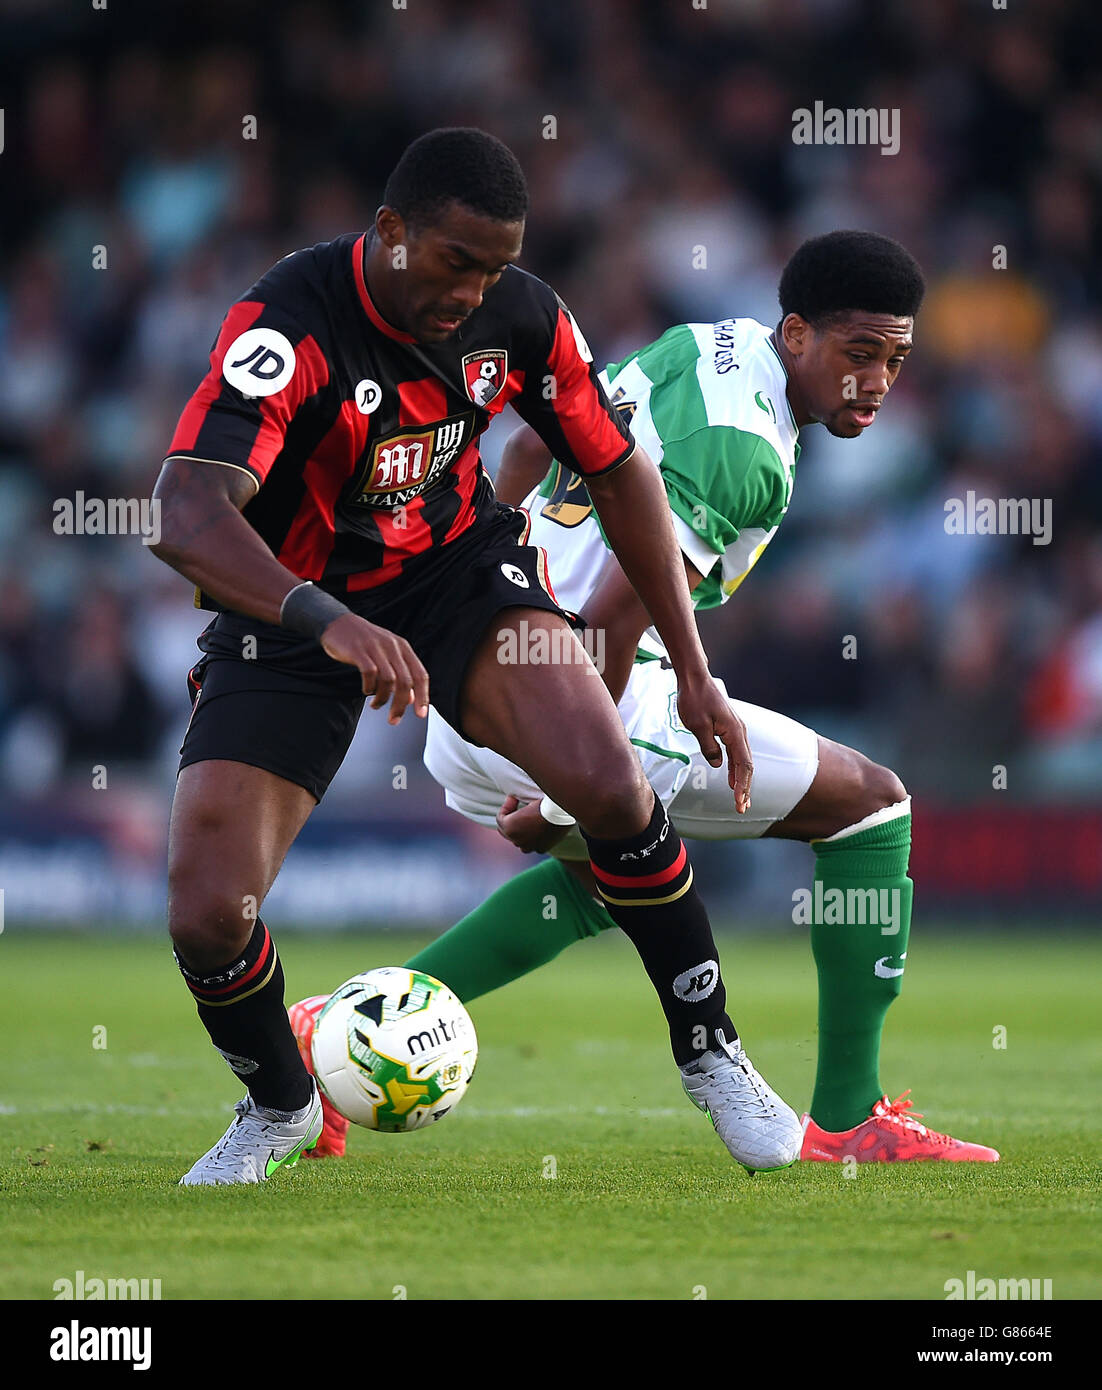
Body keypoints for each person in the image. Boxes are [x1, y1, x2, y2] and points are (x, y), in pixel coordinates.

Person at [152, 127, 803, 1186]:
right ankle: (277, 1101)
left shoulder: (524, 315)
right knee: (206, 915)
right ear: (392, 232)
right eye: (457, 261)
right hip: (290, 608)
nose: (474, 290)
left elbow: (621, 471)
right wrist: (327, 619)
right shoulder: (286, 323)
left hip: (458, 576)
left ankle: (710, 1050)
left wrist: (689, 671)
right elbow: (183, 511)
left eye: (495, 266)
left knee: (609, 782)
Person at [291, 230, 999, 1165]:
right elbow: (616, 622)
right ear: (796, 334)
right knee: (873, 808)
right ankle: (850, 1113)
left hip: (481, 682)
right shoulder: (747, 452)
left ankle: (328, 1029)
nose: (875, 382)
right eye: (858, 353)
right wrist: (561, 791)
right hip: (576, 700)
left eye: (896, 361)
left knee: (604, 881)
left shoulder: (695, 349)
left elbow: (515, 453)